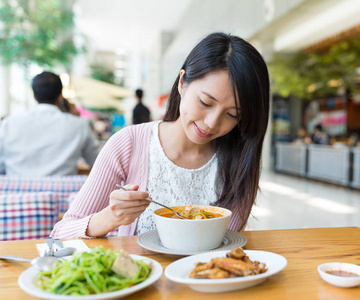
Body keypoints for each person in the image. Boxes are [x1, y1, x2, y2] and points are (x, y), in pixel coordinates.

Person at [51, 32, 270, 238]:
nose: (212, 123)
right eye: (205, 102)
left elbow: (228, 242)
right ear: (182, 83)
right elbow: (61, 234)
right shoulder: (129, 144)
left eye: (232, 115)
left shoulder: (240, 159)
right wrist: (111, 217)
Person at [0, 71, 100, 176]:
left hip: (15, 191)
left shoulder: (8, 124)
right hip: (65, 191)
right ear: (61, 96)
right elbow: (96, 162)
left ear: (34, 96)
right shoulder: (80, 125)